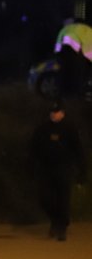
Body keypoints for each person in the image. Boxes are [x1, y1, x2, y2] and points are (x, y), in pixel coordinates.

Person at [29, 102, 86, 241]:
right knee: (45, 197)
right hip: (46, 168)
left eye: (56, 112)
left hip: (64, 168)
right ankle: (55, 220)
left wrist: (82, 170)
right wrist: (32, 165)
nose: (53, 114)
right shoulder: (43, 128)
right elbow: (34, 148)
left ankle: (61, 227)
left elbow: (78, 149)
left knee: (63, 198)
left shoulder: (70, 128)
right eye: (52, 112)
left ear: (62, 113)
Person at [53, 18, 92, 100]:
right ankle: (77, 94)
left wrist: (57, 56)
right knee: (79, 72)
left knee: (64, 72)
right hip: (75, 52)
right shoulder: (87, 30)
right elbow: (89, 49)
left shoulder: (65, 29)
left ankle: (63, 93)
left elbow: (58, 44)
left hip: (63, 52)